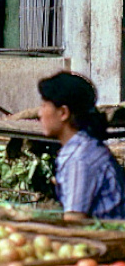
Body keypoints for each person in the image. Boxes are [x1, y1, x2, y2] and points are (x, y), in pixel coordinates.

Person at [38, 71, 125, 220]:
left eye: (44, 105)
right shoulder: (84, 146)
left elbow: (74, 222)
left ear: (63, 113)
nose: (40, 113)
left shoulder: (80, 159)